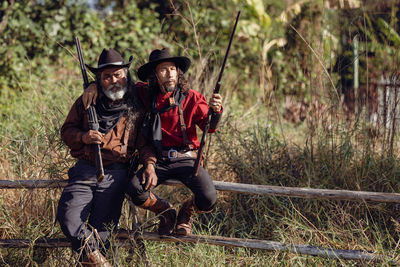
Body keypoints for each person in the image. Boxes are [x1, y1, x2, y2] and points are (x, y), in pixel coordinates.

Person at [84, 47, 223, 236]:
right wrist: (94, 85)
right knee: (134, 188)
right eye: (163, 70)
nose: (169, 74)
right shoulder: (144, 93)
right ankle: (166, 212)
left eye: (172, 69)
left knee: (208, 198)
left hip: (187, 158)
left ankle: (185, 213)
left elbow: (210, 126)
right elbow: (116, 84)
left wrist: (216, 111)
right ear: (154, 75)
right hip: (158, 159)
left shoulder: (192, 97)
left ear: (178, 72)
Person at [57, 48, 156, 266]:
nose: (113, 80)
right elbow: (67, 132)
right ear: (99, 80)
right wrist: (84, 137)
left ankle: (93, 257)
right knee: (68, 216)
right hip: (85, 169)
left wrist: (150, 164)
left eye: (118, 75)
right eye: (107, 76)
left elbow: (144, 143)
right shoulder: (86, 101)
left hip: (116, 174)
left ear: (126, 75)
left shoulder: (137, 103)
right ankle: (98, 261)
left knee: (102, 232)